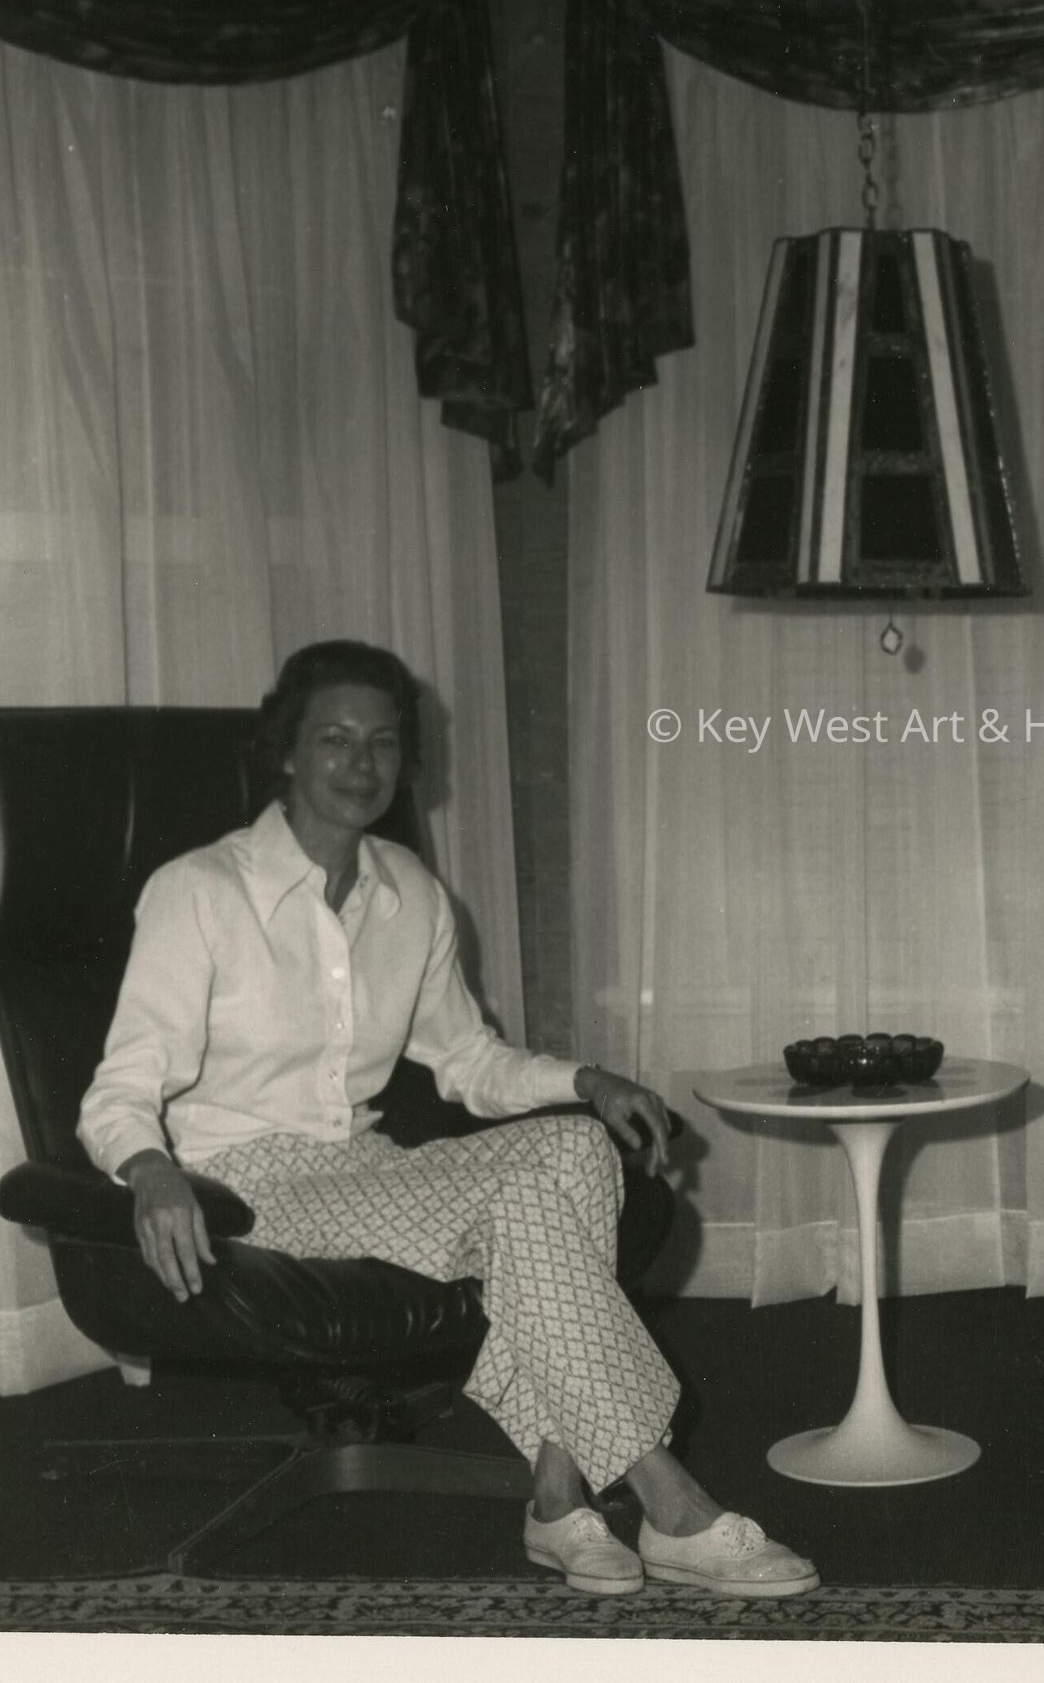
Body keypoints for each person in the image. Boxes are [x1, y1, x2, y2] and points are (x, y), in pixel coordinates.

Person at [77, 639, 816, 1600]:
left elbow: (467, 1061)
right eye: (334, 739)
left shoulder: (412, 896)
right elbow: (120, 1087)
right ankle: (669, 1500)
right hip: (242, 1185)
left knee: (574, 1147)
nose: (361, 763)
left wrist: (588, 1080)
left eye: (383, 742)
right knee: (524, 1198)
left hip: (358, 1163)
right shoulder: (200, 892)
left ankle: (558, 1496)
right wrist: (150, 1170)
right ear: (286, 753)